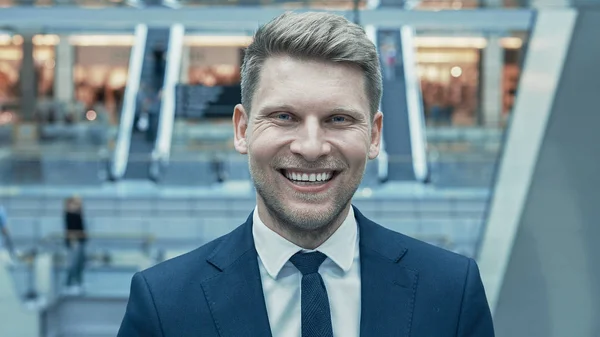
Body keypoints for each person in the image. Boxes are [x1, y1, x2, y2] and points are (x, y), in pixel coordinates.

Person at [118, 12, 494, 337]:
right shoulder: (163, 304)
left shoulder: (450, 292)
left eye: (338, 119)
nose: (311, 147)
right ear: (241, 130)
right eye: (284, 117)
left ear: (374, 135)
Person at [63, 196, 87, 294]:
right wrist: (73, 241)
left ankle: (78, 282)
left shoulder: (79, 213)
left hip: (80, 241)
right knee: (73, 263)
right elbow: (70, 229)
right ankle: (68, 284)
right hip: (74, 242)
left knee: (80, 263)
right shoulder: (69, 214)